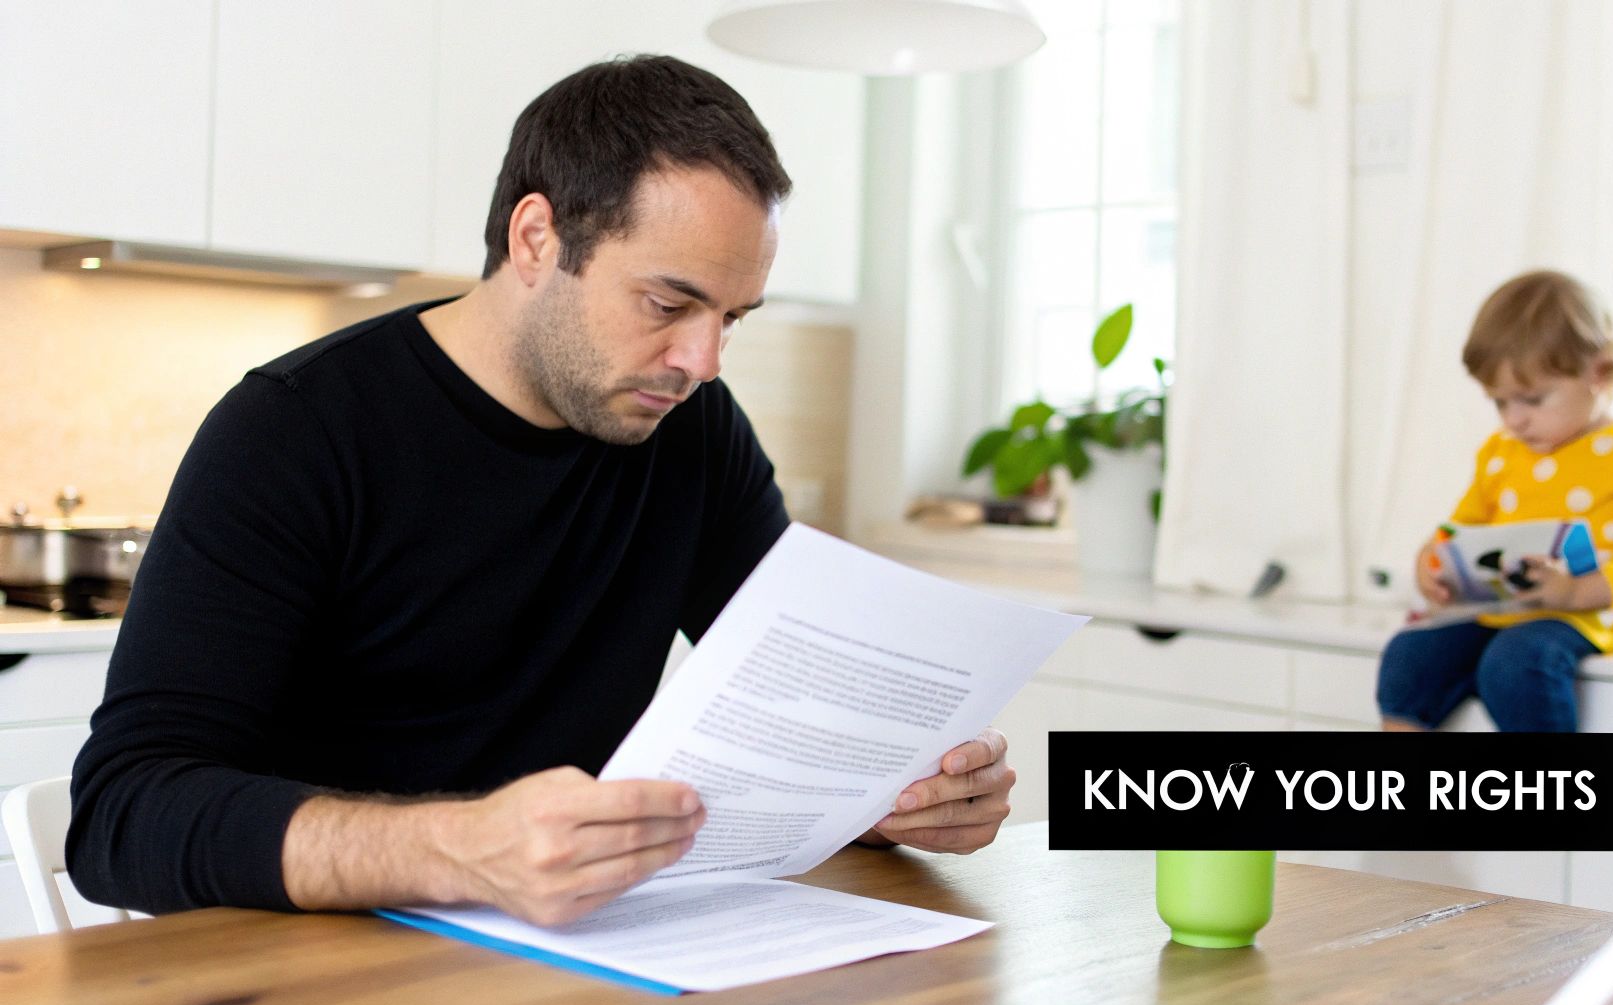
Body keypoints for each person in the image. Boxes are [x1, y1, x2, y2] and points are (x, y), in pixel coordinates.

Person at [67, 55, 1015, 928]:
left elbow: (802, 706)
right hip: (313, 964)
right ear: (535, 238)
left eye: (731, 318)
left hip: (576, 949)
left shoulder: (691, 432)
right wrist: (459, 850)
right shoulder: (296, 429)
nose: (703, 361)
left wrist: (892, 796)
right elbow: (124, 815)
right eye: (668, 303)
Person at [1376, 270, 1613, 733]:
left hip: (1588, 617)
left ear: (1598, 372)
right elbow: (1460, 528)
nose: (1514, 420)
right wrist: (1433, 563)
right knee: (1411, 653)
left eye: (1531, 399)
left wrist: (1582, 590)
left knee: (1518, 661)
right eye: (1500, 403)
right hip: (1503, 611)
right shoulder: (1501, 454)